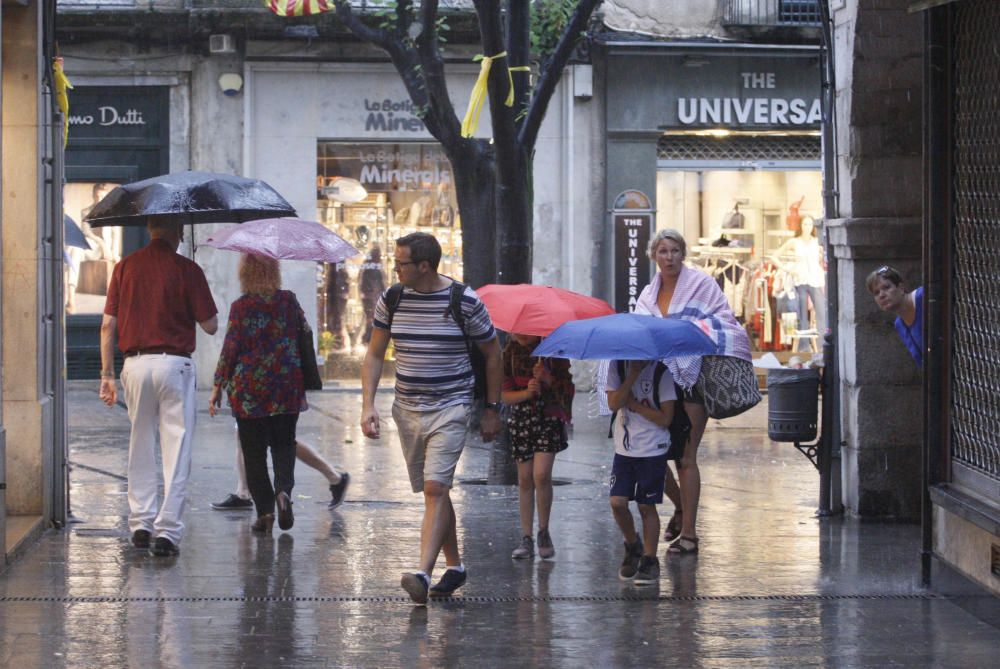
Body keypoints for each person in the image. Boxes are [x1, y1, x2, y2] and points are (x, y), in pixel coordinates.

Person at [361, 232, 502, 605]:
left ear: (424, 266)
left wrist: (492, 409)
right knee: (434, 490)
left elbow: (493, 354)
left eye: (401, 262)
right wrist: (367, 404)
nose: (395, 268)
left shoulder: (464, 301)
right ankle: (454, 566)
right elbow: (375, 354)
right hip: (407, 409)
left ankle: (422, 573)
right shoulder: (391, 298)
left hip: (451, 407)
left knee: (436, 488)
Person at [99, 218, 218, 557]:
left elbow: (108, 326)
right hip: (175, 364)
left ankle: (140, 524)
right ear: (177, 233)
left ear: (150, 229)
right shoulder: (187, 269)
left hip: (135, 365)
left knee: (140, 442)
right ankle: (167, 531)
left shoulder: (125, 267)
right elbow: (210, 326)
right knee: (176, 448)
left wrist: (107, 375)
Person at [633, 228, 753, 556]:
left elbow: (724, 322)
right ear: (653, 256)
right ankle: (681, 507)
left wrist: (685, 334)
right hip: (661, 380)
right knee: (655, 455)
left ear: (683, 254)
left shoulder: (702, 284)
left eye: (674, 250)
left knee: (686, 457)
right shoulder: (647, 294)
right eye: (663, 251)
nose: (669, 257)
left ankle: (689, 534)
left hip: (694, 376)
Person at [209, 253, 310, 535]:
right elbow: (305, 333)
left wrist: (218, 385)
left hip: (249, 390)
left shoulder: (241, 307)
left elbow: (231, 348)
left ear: (245, 274)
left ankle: (265, 513)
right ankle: (283, 492)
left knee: (253, 453)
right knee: (283, 445)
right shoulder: (288, 300)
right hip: (286, 386)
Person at [502, 333, 574, 560]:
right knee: (524, 478)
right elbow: (504, 395)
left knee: (541, 475)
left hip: (548, 417)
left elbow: (568, 390)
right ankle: (526, 537)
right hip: (522, 419)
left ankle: (543, 530)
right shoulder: (510, 353)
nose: (521, 334)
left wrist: (547, 378)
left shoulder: (551, 350)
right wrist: (526, 392)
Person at [605, 359, 678, 585]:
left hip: (652, 447)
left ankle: (649, 559)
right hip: (624, 448)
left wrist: (636, 406)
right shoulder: (617, 367)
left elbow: (666, 418)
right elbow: (613, 403)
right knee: (617, 502)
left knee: (647, 505)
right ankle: (632, 544)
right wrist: (631, 376)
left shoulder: (661, 373)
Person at [211, 439, 350, 511]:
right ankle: (243, 492)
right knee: (244, 435)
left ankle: (335, 477)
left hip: (270, 390)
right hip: (252, 389)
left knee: (283, 438)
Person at [771, 216, 826, 350]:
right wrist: (787, 269)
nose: (807, 227)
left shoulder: (817, 242)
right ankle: (803, 348)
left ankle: (823, 346)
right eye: (805, 224)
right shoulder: (794, 242)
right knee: (802, 316)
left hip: (815, 280)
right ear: (801, 225)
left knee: (821, 313)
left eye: (810, 224)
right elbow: (774, 257)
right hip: (799, 279)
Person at [866, 265, 923, 367]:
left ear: (901, 288)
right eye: (876, 292)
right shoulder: (900, 324)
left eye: (886, 287)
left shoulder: (922, 297)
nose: (881, 295)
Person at [358, 244, 386, 346]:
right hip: (372, 298)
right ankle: (367, 340)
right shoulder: (372, 268)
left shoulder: (370, 267)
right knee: (371, 319)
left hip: (372, 298)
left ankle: (367, 340)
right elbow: (376, 285)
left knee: (370, 319)